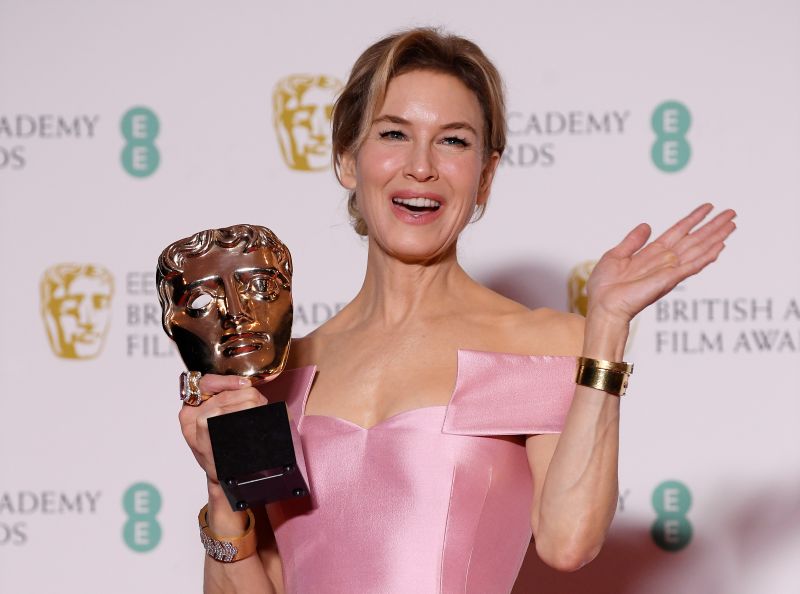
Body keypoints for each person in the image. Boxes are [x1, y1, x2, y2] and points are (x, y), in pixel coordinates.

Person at [177, 28, 736, 593]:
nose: (421, 167)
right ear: (348, 158)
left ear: (485, 177)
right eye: (394, 133)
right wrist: (224, 496)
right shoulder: (280, 373)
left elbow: (569, 543)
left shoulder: (539, 345)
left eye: (454, 141)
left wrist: (608, 326)